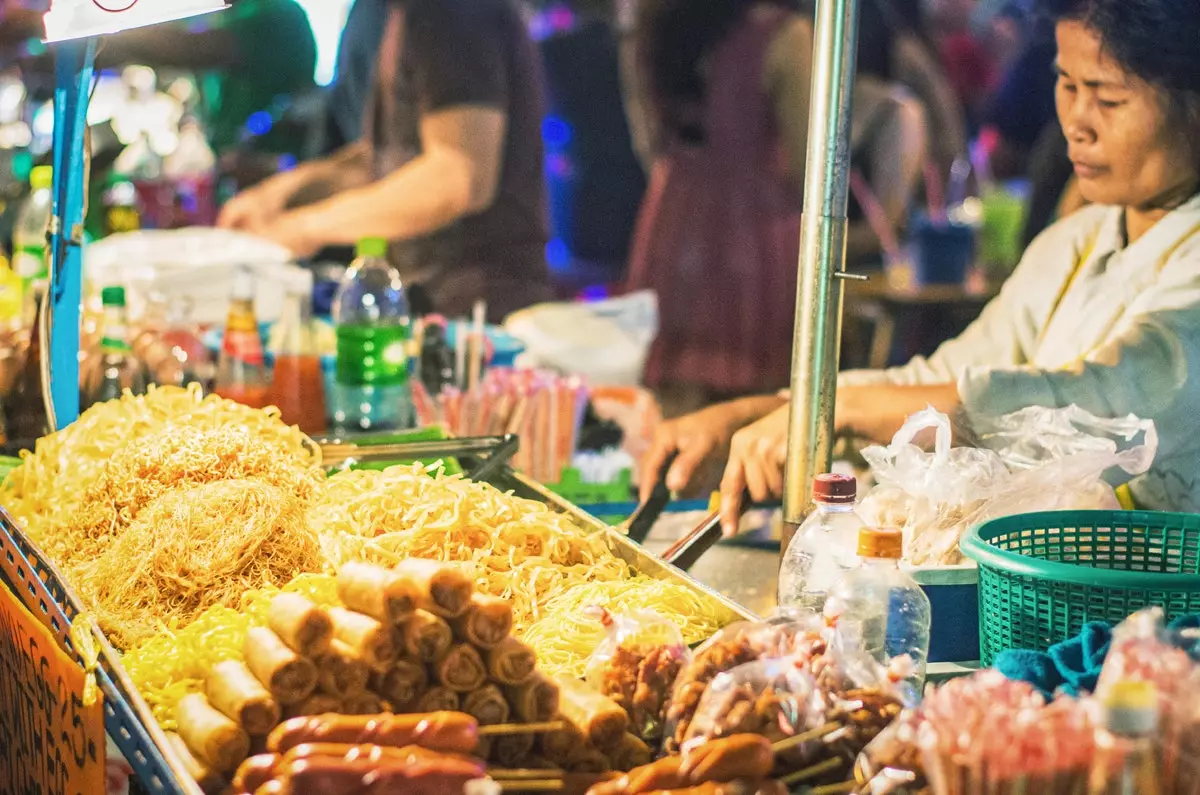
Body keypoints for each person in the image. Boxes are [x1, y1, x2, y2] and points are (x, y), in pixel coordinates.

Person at [641, 0, 1200, 534]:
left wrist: (851, 411)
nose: (1077, 121)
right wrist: (762, 411)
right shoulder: (1077, 241)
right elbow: (947, 376)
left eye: (1108, 99)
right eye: (1067, 84)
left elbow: (1099, 405)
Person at [621, 0, 928, 415]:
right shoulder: (784, 38)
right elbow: (813, 167)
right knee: (752, 412)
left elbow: (648, 144)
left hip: (674, 226)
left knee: (675, 408)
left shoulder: (651, 30)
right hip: (753, 237)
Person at [218, 0, 551, 322]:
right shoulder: (402, 14)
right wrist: (278, 194)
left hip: (479, 322)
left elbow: (457, 177)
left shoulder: (450, 10)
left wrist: (303, 228)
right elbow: (389, 161)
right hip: (440, 307)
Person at [1, 0, 316, 156]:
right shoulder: (228, 12)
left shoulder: (279, 15)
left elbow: (188, 48)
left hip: (275, 171)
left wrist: (64, 24)